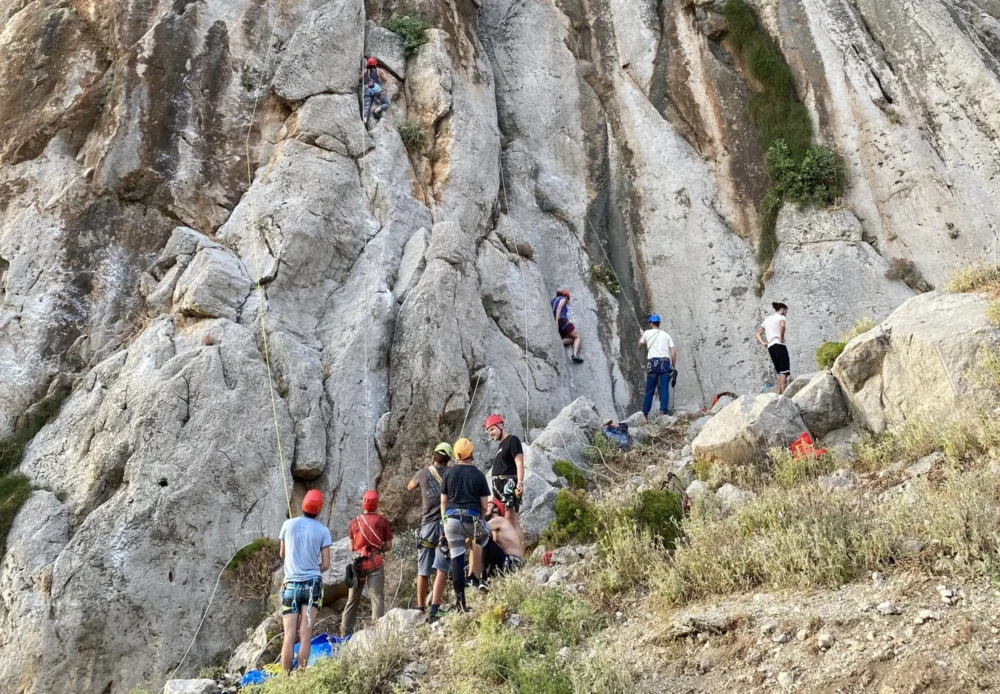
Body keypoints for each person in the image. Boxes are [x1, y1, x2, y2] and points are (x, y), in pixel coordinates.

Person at [278, 490, 332, 673]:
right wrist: (312, 567)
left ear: (303, 505)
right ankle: (300, 679)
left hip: (290, 586)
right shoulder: (323, 531)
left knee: (289, 635)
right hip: (312, 587)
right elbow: (326, 564)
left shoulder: (288, 525)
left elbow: (282, 554)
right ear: (319, 509)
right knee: (305, 635)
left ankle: (284, 680)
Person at [440, 437, 490, 613]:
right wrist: (481, 520)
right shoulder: (478, 475)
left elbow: (443, 503)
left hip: (451, 520)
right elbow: (484, 505)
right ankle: (482, 577)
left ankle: (460, 604)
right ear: (471, 453)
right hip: (472, 520)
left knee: (457, 559)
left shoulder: (449, 474)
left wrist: (444, 523)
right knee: (485, 538)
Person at [407, 442, 452, 613]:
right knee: (442, 567)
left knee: (423, 570)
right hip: (445, 525)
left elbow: (409, 487)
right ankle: (435, 606)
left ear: (434, 456)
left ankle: (419, 607)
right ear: (448, 459)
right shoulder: (451, 473)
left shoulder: (422, 474)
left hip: (427, 526)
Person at [341, 490, 393, 636]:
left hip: (358, 565)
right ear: (377, 504)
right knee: (377, 598)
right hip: (375, 563)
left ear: (362, 503)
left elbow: (352, 547)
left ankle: (345, 635)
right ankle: (377, 633)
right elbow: (388, 545)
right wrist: (378, 549)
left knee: (352, 600)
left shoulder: (354, 522)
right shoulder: (382, 521)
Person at [485, 414, 525, 544]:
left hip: (509, 484)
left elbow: (519, 462)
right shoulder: (501, 445)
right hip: (499, 487)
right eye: (488, 430)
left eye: (492, 429)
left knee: (510, 520)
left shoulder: (512, 440)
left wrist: (519, 482)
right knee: (506, 520)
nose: (490, 433)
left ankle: (518, 553)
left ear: (501, 426)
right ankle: (512, 552)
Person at [639, 313, 677, 419]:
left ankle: (645, 414)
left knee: (650, 389)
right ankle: (663, 413)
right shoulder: (666, 335)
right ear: (659, 323)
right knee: (664, 388)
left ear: (651, 323)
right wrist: (673, 367)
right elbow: (673, 352)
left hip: (653, 364)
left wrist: (643, 336)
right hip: (665, 363)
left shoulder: (647, 333)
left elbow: (640, 345)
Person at [481, 499, 525, 580]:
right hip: (509, 562)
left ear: (496, 508)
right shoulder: (495, 530)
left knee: (484, 540)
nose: (485, 507)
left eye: (488, 505)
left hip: (513, 563)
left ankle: (483, 579)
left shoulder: (500, 520)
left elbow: (478, 529)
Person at [756, 302, 790, 394]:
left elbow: (758, 333)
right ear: (782, 309)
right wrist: (781, 338)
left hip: (770, 347)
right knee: (784, 371)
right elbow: (782, 326)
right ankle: (783, 394)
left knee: (779, 372)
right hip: (779, 345)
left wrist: (763, 343)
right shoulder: (781, 317)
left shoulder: (767, 319)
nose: (786, 313)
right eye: (785, 311)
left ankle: (778, 392)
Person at [551, 289, 584, 363]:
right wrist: (557, 320)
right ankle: (574, 355)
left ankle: (559, 342)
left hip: (558, 325)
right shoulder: (563, 299)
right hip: (562, 320)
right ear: (566, 297)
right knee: (577, 337)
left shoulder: (552, 301)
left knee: (572, 339)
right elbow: (559, 307)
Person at [359, 56, 389, 125]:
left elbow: (360, 79)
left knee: (366, 107)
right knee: (386, 103)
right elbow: (385, 80)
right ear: (375, 64)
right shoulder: (378, 70)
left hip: (366, 88)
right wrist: (383, 73)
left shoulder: (365, 70)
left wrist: (362, 73)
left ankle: (365, 121)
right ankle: (376, 110)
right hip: (375, 89)